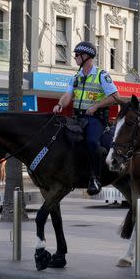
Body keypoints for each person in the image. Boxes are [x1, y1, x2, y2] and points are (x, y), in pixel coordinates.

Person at [53, 41, 120, 195]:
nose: (75, 57)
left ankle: (95, 178)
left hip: (96, 119)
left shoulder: (101, 75)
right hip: (78, 118)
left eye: (77, 55)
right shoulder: (76, 77)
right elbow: (68, 95)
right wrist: (60, 104)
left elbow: (115, 97)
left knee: (91, 142)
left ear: (86, 56)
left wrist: (96, 106)